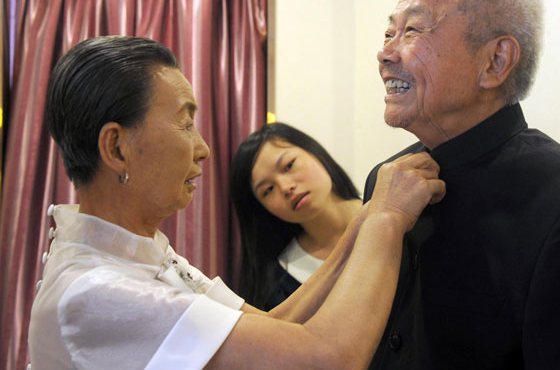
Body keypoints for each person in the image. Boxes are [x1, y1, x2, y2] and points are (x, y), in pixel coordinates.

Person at [28, 35, 445, 369]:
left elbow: (273, 324)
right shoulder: (97, 291)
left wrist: (363, 220)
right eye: (184, 123)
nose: (203, 148)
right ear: (117, 148)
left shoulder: (138, 252)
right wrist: (386, 218)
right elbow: (326, 358)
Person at [363, 0, 560, 370]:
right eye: (389, 33)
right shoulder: (385, 179)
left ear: (495, 61)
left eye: (413, 31)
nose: (385, 54)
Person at [230, 122, 362, 310]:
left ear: (314, 151)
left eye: (289, 165)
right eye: (268, 190)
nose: (285, 187)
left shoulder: (393, 213)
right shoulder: (278, 285)